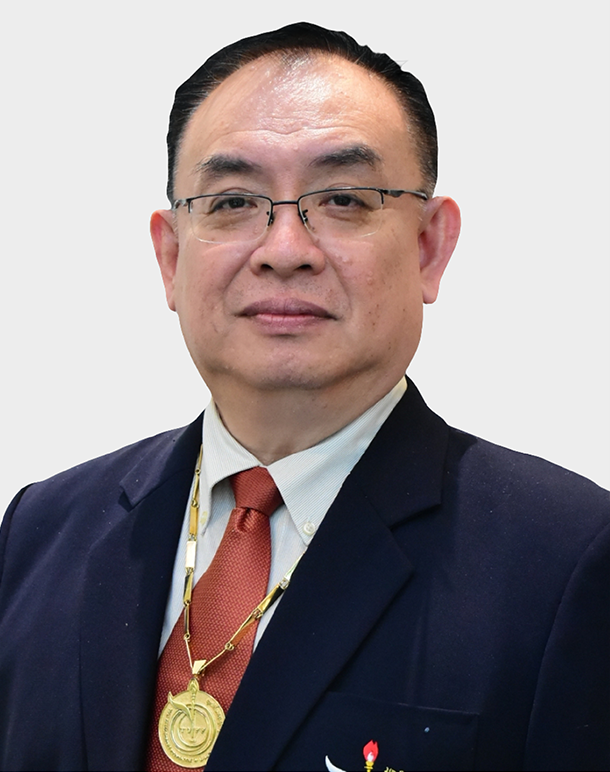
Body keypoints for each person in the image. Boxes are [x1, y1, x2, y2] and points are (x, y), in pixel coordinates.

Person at [0, 21, 607, 772]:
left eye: (344, 198)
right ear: (170, 255)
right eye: (232, 201)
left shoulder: (569, 561)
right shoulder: (41, 531)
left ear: (429, 246)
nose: (284, 250)